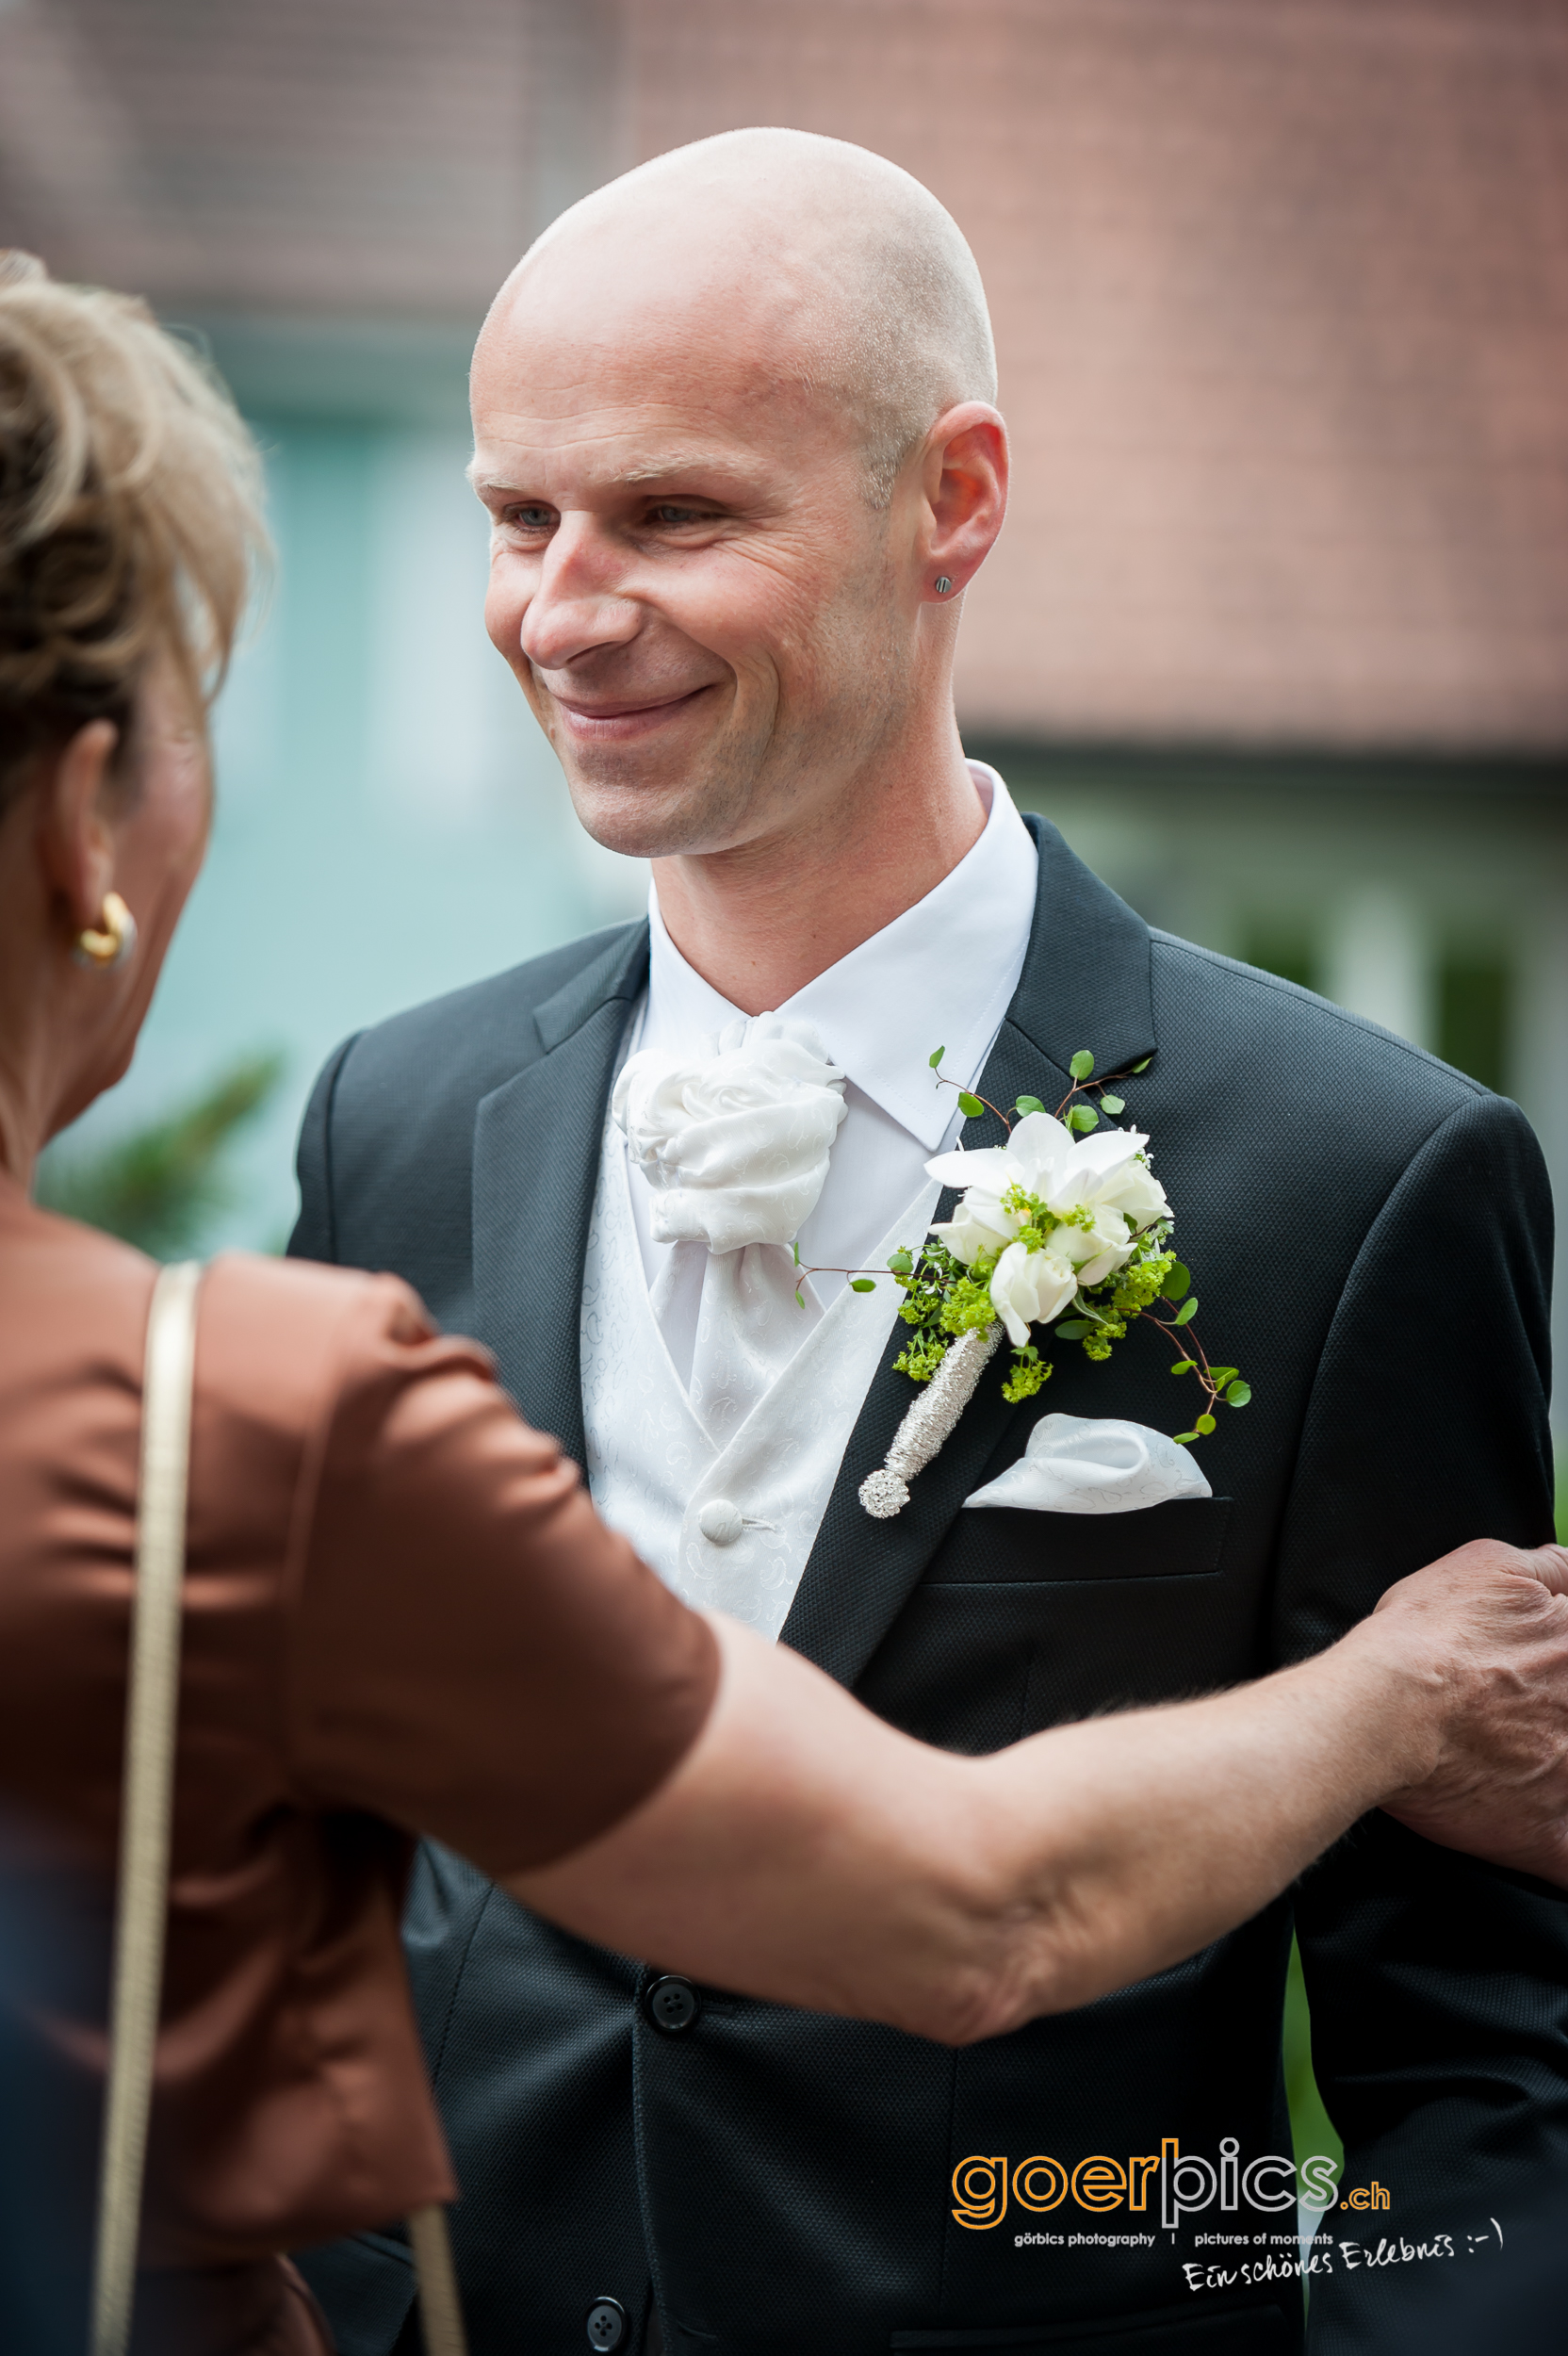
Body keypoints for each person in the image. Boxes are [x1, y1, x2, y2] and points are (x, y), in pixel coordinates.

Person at [5, 248, 1565, 2356]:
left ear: (955, 500)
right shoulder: (402, 1108)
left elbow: (1470, 2057)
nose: (557, 608)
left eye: (671, 514)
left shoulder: (1357, 1169)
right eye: (513, 516)